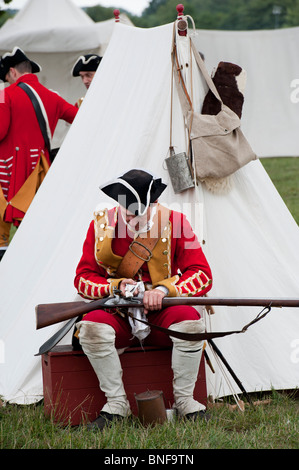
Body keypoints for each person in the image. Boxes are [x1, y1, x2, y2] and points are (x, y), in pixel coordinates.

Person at [74, 169, 213, 430]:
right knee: (91, 329)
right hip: (120, 312)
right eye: (127, 215)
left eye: (137, 215)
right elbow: (82, 279)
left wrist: (163, 290)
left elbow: (203, 275)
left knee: (191, 324)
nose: (131, 221)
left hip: (162, 311)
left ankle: (185, 401)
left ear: (153, 206)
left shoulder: (177, 222)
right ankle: (117, 405)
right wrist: (114, 286)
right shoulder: (101, 225)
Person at [0, 47, 78, 260]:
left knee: (1, 233)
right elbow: (79, 117)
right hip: (41, 169)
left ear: (13, 72)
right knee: (37, 225)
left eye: (6, 77)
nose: (7, 82)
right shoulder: (53, 96)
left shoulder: (4, 94)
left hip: (10, 169)